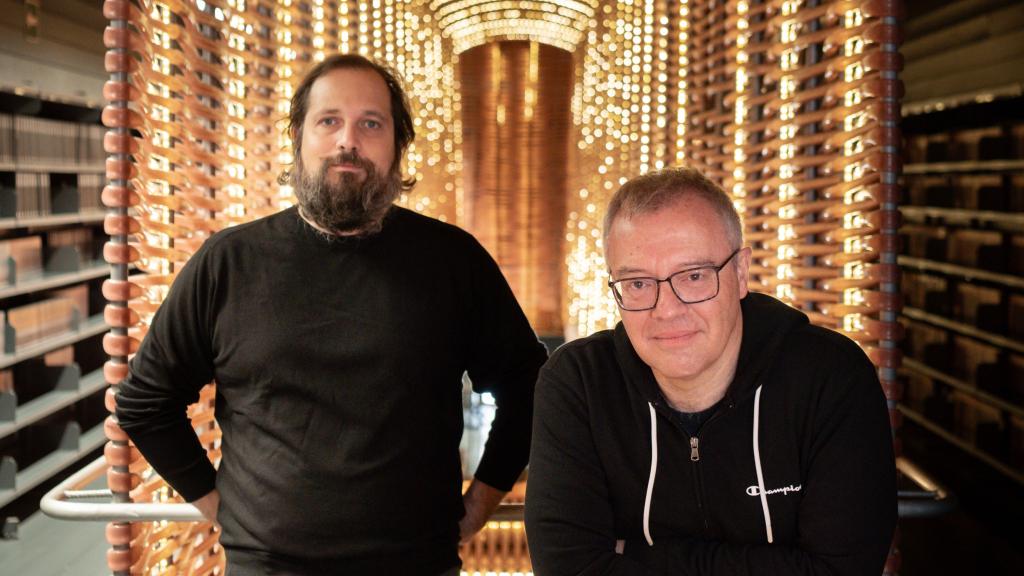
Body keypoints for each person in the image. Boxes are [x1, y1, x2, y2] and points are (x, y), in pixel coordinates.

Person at [117, 53, 547, 575]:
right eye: (329, 121)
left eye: (371, 123)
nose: (350, 140)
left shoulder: (452, 260)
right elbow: (145, 401)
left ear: (397, 146)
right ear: (299, 137)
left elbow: (529, 385)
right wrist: (217, 505)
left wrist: (480, 503)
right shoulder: (229, 261)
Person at [524, 167, 896, 575]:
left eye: (695, 276)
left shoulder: (830, 378)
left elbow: (843, 570)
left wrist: (634, 554)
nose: (666, 309)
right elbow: (568, 567)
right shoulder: (579, 383)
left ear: (740, 273)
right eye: (637, 284)